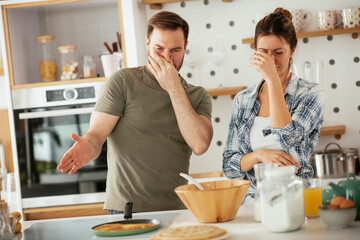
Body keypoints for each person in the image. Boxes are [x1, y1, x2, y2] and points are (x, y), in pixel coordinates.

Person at [57, 11, 213, 213]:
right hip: (125, 211)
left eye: (175, 50)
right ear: (147, 44)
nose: (167, 58)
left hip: (177, 208)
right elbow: (96, 136)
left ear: (185, 48)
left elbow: (200, 144)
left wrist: (173, 87)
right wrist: (88, 146)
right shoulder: (122, 82)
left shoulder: (198, 96)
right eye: (159, 49)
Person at [222, 8, 325, 192]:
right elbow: (229, 167)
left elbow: (287, 139)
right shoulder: (242, 100)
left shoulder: (311, 94)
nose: (271, 60)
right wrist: (258, 155)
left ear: (292, 50)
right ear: (255, 51)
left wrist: (273, 82)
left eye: (278, 52)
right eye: (263, 52)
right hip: (253, 201)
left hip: (297, 196)